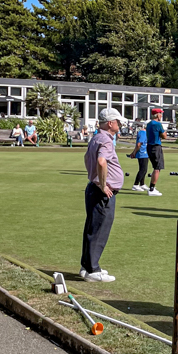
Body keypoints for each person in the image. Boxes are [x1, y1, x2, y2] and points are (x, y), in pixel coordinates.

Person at [80, 108, 127, 282]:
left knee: (92, 228)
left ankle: (87, 266)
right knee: (99, 229)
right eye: (118, 122)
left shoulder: (96, 138)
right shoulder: (106, 140)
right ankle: (93, 269)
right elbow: (101, 161)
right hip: (101, 192)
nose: (120, 125)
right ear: (110, 123)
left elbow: (86, 159)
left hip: (93, 188)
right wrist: (103, 184)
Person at [145, 108, 166, 196]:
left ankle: (152, 187)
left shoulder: (149, 124)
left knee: (156, 167)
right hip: (156, 146)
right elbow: (164, 136)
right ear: (157, 115)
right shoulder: (158, 124)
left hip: (149, 146)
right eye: (160, 114)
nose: (161, 115)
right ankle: (152, 188)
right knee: (157, 168)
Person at [128, 122, 150, 192]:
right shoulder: (143, 133)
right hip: (142, 153)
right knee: (143, 170)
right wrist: (134, 153)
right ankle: (136, 184)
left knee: (144, 170)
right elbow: (139, 144)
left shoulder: (145, 133)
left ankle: (142, 184)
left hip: (145, 153)